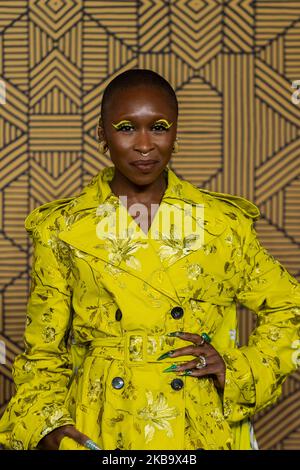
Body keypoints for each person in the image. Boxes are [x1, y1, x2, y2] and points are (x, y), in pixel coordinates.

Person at [0, 68, 299, 451]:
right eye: (126, 128)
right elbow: (44, 350)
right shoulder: (62, 228)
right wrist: (46, 428)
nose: (144, 145)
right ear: (102, 136)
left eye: (158, 127)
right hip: (100, 422)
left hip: (194, 423)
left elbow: (290, 306)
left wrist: (239, 371)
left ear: (175, 133)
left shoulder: (220, 224)